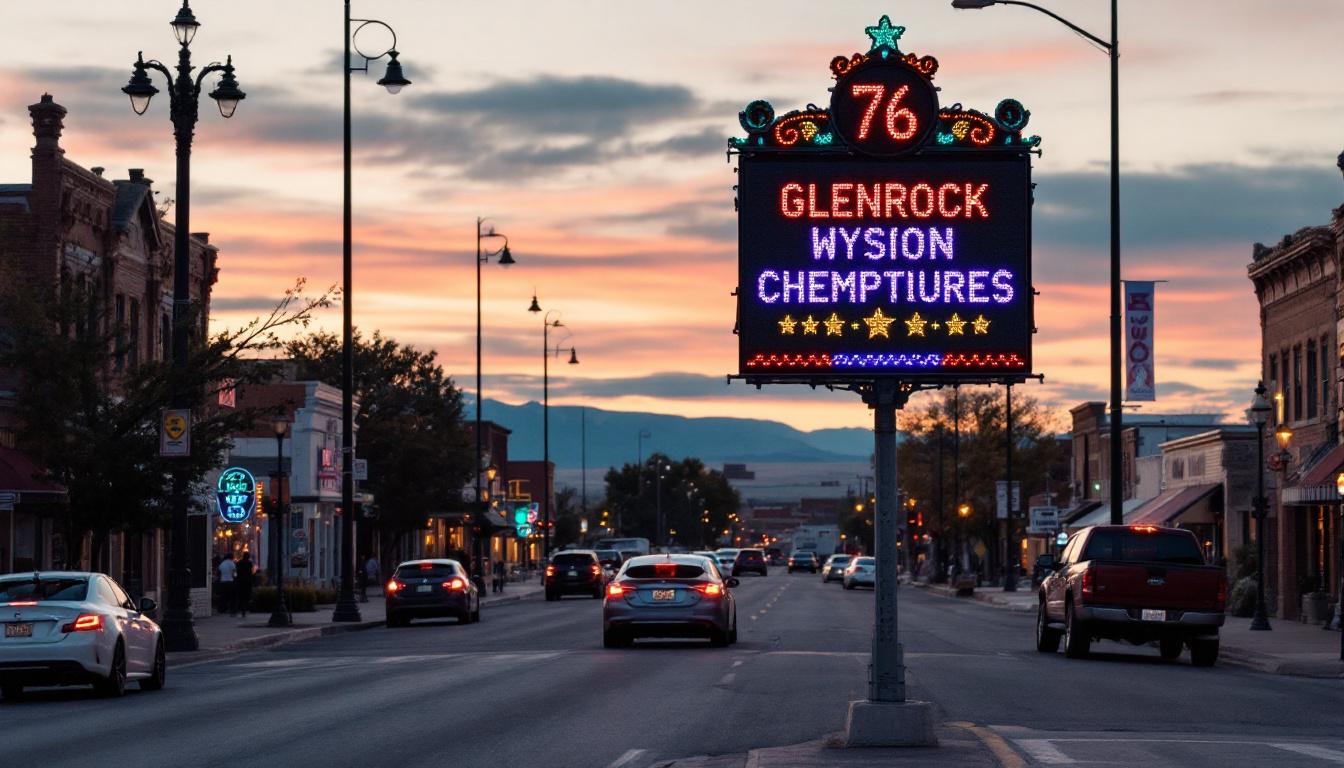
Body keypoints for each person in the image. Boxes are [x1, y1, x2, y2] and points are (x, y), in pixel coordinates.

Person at [235, 551, 255, 618]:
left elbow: (237, 572)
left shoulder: (239, 563)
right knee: (246, 596)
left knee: (240, 596)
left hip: (240, 581)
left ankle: (239, 609)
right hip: (247, 582)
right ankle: (244, 609)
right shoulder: (249, 563)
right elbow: (251, 573)